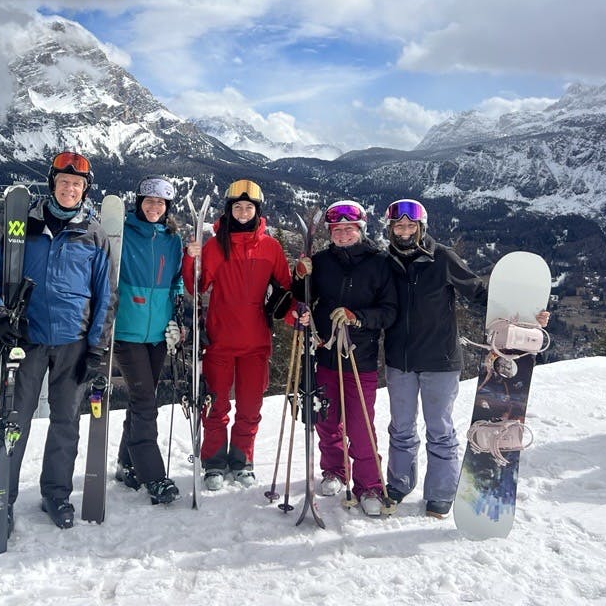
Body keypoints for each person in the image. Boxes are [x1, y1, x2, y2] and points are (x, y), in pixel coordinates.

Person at [381, 198, 554, 519]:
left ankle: (440, 494)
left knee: (439, 429)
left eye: (410, 226)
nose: (405, 231)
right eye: (398, 226)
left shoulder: (442, 257)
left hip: (439, 359)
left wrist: (528, 316)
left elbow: (479, 292)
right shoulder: (385, 261)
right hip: (399, 360)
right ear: (390, 229)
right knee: (401, 428)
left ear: (421, 227)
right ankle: (399, 484)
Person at [0, 150, 116, 531]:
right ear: (52, 184)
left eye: (76, 184)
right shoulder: (22, 226)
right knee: (14, 421)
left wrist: (96, 347)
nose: (69, 189)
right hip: (28, 339)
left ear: (84, 191)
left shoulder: (94, 236)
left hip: (73, 343)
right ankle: (1, 499)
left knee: (65, 423)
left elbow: (107, 297)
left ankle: (56, 495)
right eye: (63, 182)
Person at [183, 179, 291, 490]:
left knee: (249, 407)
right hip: (220, 340)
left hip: (256, 342)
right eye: (237, 207)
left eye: (249, 207)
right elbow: (196, 287)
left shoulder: (270, 248)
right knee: (216, 405)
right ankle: (214, 462)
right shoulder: (216, 246)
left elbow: (285, 290)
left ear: (257, 211)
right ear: (229, 210)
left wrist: (297, 298)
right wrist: (191, 258)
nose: (243, 212)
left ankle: (243, 459)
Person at [292, 200, 398, 517]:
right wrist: (300, 276)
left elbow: (390, 312)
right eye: (336, 230)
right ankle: (335, 470)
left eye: (348, 228)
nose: (342, 234)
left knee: (360, 426)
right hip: (325, 352)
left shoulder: (379, 263)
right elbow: (303, 298)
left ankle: (370, 486)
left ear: (360, 230)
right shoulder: (321, 261)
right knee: (327, 418)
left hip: (359, 356)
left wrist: (359, 317)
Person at [112, 175, 185, 505]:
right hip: (127, 330)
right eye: (149, 201)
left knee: (143, 398)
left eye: (161, 203)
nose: (154, 207)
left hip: (158, 333)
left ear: (167, 207)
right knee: (145, 403)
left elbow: (177, 281)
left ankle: (126, 463)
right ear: (138, 203)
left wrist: (178, 311)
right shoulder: (122, 232)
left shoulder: (172, 240)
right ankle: (152, 476)